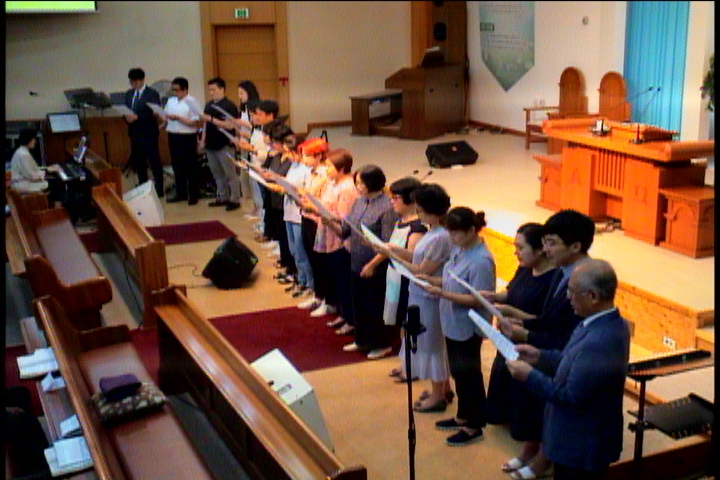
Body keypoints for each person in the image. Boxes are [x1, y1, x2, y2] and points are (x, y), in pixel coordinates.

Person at [507, 259, 631, 480]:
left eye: (572, 292)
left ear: (593, 296)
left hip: (581, 445)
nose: (568, 297)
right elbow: (573, 361)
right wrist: (540, 356)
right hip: (576, 437)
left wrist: (529, 376)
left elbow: (569, 396)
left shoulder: (598, 341)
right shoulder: (603, 321)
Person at [496, 208, 596, 479]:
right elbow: (549, 319)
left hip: (565, 358)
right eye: (544, 242)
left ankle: (543, 459)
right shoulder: (562, 270)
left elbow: (568, 336)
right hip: (547, 348)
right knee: (533, 404)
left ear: (575, 246)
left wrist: (527, 336)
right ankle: (530, 449)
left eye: (551, 243)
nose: (546, 249)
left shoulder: (586, 280)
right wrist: (523, 325)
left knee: (551, 412)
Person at [482, 223, 557, 476]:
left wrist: (511, 313)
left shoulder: (553, 280)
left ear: (540, 250)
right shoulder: (525, 268)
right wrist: (494, 298)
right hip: (510, 340)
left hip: (535, 346)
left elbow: (545, 321)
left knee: (534, 402)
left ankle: (540, 455)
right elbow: (512, 293)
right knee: (517, 397)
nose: (515, 252)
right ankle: (527, 447)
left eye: (520, 247)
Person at [420, 207, 496, 446]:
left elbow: (479, 299)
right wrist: (430, 280)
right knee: (458, 373)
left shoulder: (481, 261)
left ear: (471, 230)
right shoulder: (460, 249)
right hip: (452, 320)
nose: (451, 238)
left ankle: (474, 425)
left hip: (467, 325)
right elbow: (451, 280)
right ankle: (462, 415)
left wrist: (442, 293)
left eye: (455, 233)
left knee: (469, 375)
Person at [380, 183, 453, 409]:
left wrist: (393, 257)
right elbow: (418, 256)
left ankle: (438, 394)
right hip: (420, 294)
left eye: (420, 210)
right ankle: (442, 388)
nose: (418, 214)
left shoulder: (441, 236)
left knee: (431, 344)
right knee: (427, 342)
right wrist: (396, 250)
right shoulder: (433, 231)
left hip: (429, 297)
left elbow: (423, 270)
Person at [330, 164, 399, 360]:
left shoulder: (387, 207)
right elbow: (345, 231)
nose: (357, 187)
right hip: (356, 261)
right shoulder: (359, 201)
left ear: (372, 183)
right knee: (358, 304)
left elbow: (388, 244)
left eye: (360, 183)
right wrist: (330, 223)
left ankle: (381, 344)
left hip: (376, 266)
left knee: (374, 306)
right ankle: (361, 339)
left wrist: (372, 265)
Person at [306, 149, 358, 322]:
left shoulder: (347, 188)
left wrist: (316, 210)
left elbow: (343, 217)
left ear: (341, 169)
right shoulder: (331, 183)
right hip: (326, 231)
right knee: (329, 272)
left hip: (338, 238)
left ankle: (346, 315)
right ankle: (334, 305)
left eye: (329, 166)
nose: (326, 169)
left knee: (341, 277)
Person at [296, 137, 330, 311]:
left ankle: (326, 299)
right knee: (311, 259)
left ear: (319, 156)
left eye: (307, 156)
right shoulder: (310, 172)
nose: (303, 159)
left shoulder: (325, 175)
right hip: (306, 216)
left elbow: (322, 200)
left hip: (317, 221)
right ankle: (318, 295)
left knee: (320, 261)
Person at [200, 76, 241, 211]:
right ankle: (222, 197)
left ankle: (235, 199)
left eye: (214, 89)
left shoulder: (229, 106)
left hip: (224, 144)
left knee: (230, 173)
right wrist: (203, 140)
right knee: (217, 173)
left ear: (222, 89)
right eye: (210, 90)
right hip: (210, 144)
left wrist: (211, 119)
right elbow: (205, 123)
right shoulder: (208, 105)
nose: (211, 92)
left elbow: (230, 125)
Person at [161, 76, 201, 205]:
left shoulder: (192, 102)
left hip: (187, 136)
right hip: (173, 135)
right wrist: (163, 120)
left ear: (185, 90)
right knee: (177, 165)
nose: (175, 92)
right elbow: (166, 116)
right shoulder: (171, 101)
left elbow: (195, 122)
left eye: (177, 90)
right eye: (173, 90)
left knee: (190, 166)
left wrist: (178, 118)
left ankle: (193, 194)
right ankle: (180, 192)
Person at [124, 67, 164, 197]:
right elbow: (126, 109)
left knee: (154, 161)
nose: (133, 85)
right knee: (139, 162)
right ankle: (143, 187)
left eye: (135, 82)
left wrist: (137, 117)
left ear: (141, 80)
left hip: (149, 133)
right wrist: (126, 118)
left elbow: (154, 113)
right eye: (131, 82)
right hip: (134, 133)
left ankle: (159, 188)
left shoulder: (152, 94)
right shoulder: (129, 94)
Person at [9, 128, 60, 194]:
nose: (35, 141)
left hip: (23, 182)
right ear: (28, 140)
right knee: (57, 183)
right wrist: (47, 170)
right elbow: (32, 176)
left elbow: (31, 169)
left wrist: (47, 168)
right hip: (24, 185)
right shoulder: (24, 155)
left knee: (53, 180)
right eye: (34, 139)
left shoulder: (20, 150)